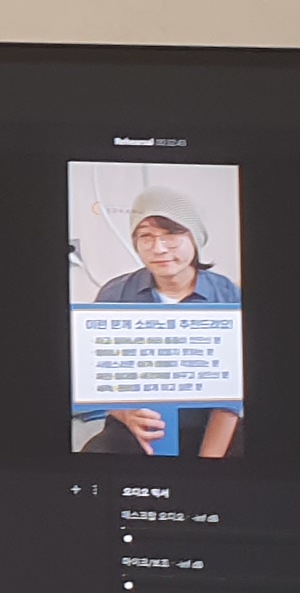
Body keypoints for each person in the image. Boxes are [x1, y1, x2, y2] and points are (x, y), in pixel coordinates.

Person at [88, 185, 241, 459]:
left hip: (211, 425)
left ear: (194, 238)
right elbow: (97, 374)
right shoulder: (116, 294)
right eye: (146, 236)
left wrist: (207, 463)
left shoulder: (227, 296)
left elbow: (232, 395)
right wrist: (125, 414)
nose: (159, 248)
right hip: (135, 424)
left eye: (171, 235)